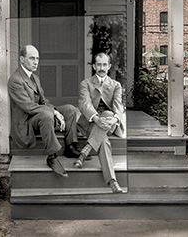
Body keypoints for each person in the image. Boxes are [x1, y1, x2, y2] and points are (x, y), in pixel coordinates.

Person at [8, 45, 82, 177]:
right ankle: (52, 157)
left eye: (37, 58)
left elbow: (43, 101)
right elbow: (28, 107)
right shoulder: (15, 80)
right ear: (22, 59)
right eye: (32, 58)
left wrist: (55, 110)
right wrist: (53, 112)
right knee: (46, 114)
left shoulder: (34, 78)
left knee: (70, 109)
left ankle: (70, 147)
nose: (36, 61)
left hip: (40, 117)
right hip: (26, 124)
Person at [74, 52, 126, 194]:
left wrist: (115, 118)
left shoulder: (116, 85)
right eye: (99, 64)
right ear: (94, 66)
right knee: (103, 141)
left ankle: (85, 151)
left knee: (109, 114)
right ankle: (112, 181)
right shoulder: (85, 84)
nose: (102, 68)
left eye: (104, 64)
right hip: (91, 122)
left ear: (109, 66)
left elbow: (118, 105)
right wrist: (96, 118)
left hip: (109, 122)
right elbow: (85, 104)